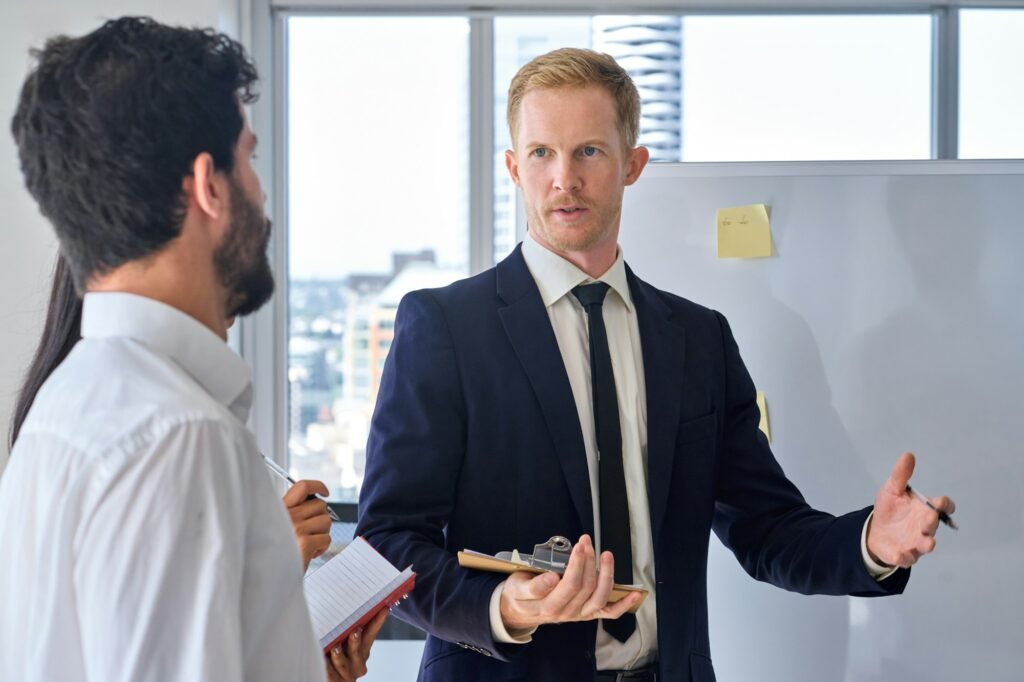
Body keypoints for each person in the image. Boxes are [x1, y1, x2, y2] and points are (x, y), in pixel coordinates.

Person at [355, 48, 956, 682]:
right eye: (541, 154)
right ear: (512, 167)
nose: (564, 179)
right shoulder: (445, 328)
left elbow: (767, 528)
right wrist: (500, 606)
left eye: (589, 151)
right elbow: (388, 541)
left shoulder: (698, 339)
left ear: (632, 165)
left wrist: (872, 545)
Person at [0, 17, 382, 682]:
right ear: (209, 185)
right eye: (250, 160)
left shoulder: (65, 406)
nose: (262, 197)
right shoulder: (178, 436)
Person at [8, 255, 336, 572]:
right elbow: (177, 618)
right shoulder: (162, 436)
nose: (231, 313)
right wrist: (275, 564)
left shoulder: (66, 407)